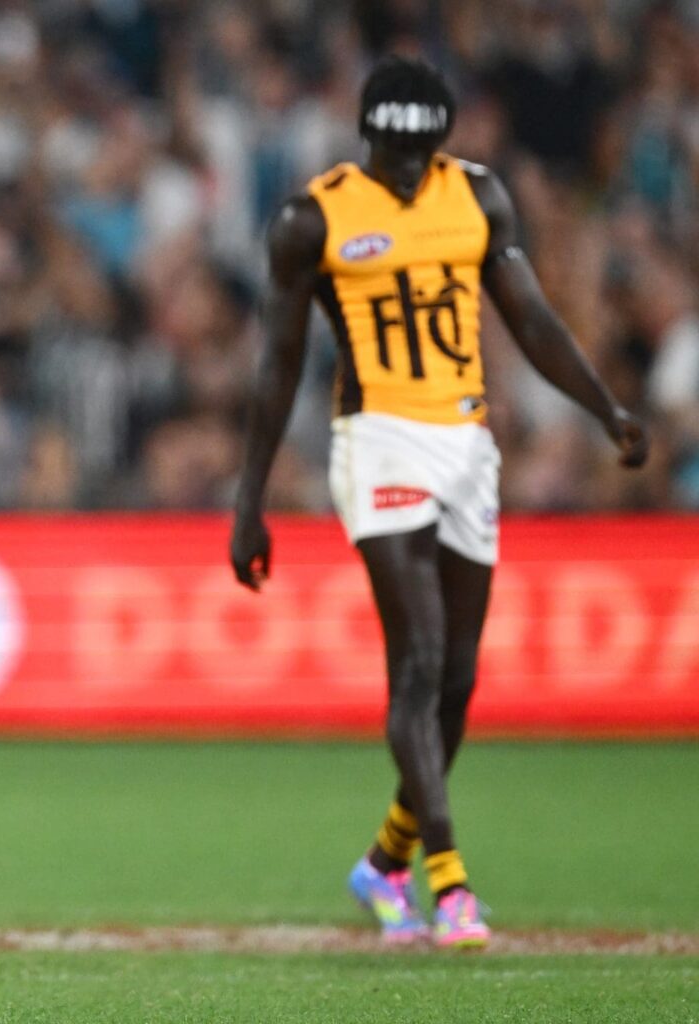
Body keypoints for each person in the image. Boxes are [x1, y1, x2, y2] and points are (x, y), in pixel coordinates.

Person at [230, 56, 649, 950]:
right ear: (368, 135)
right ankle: (449, 878)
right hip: (377, 437)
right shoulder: (317, 216)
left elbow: (532, 318)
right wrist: (249, 500)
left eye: (426, 147)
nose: (413, 163)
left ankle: (383, 864)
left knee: (457, 679)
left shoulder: (481, 197)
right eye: (398, 147)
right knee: (417, 660)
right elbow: (276, 364)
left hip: (467, 445)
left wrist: (606, 407)